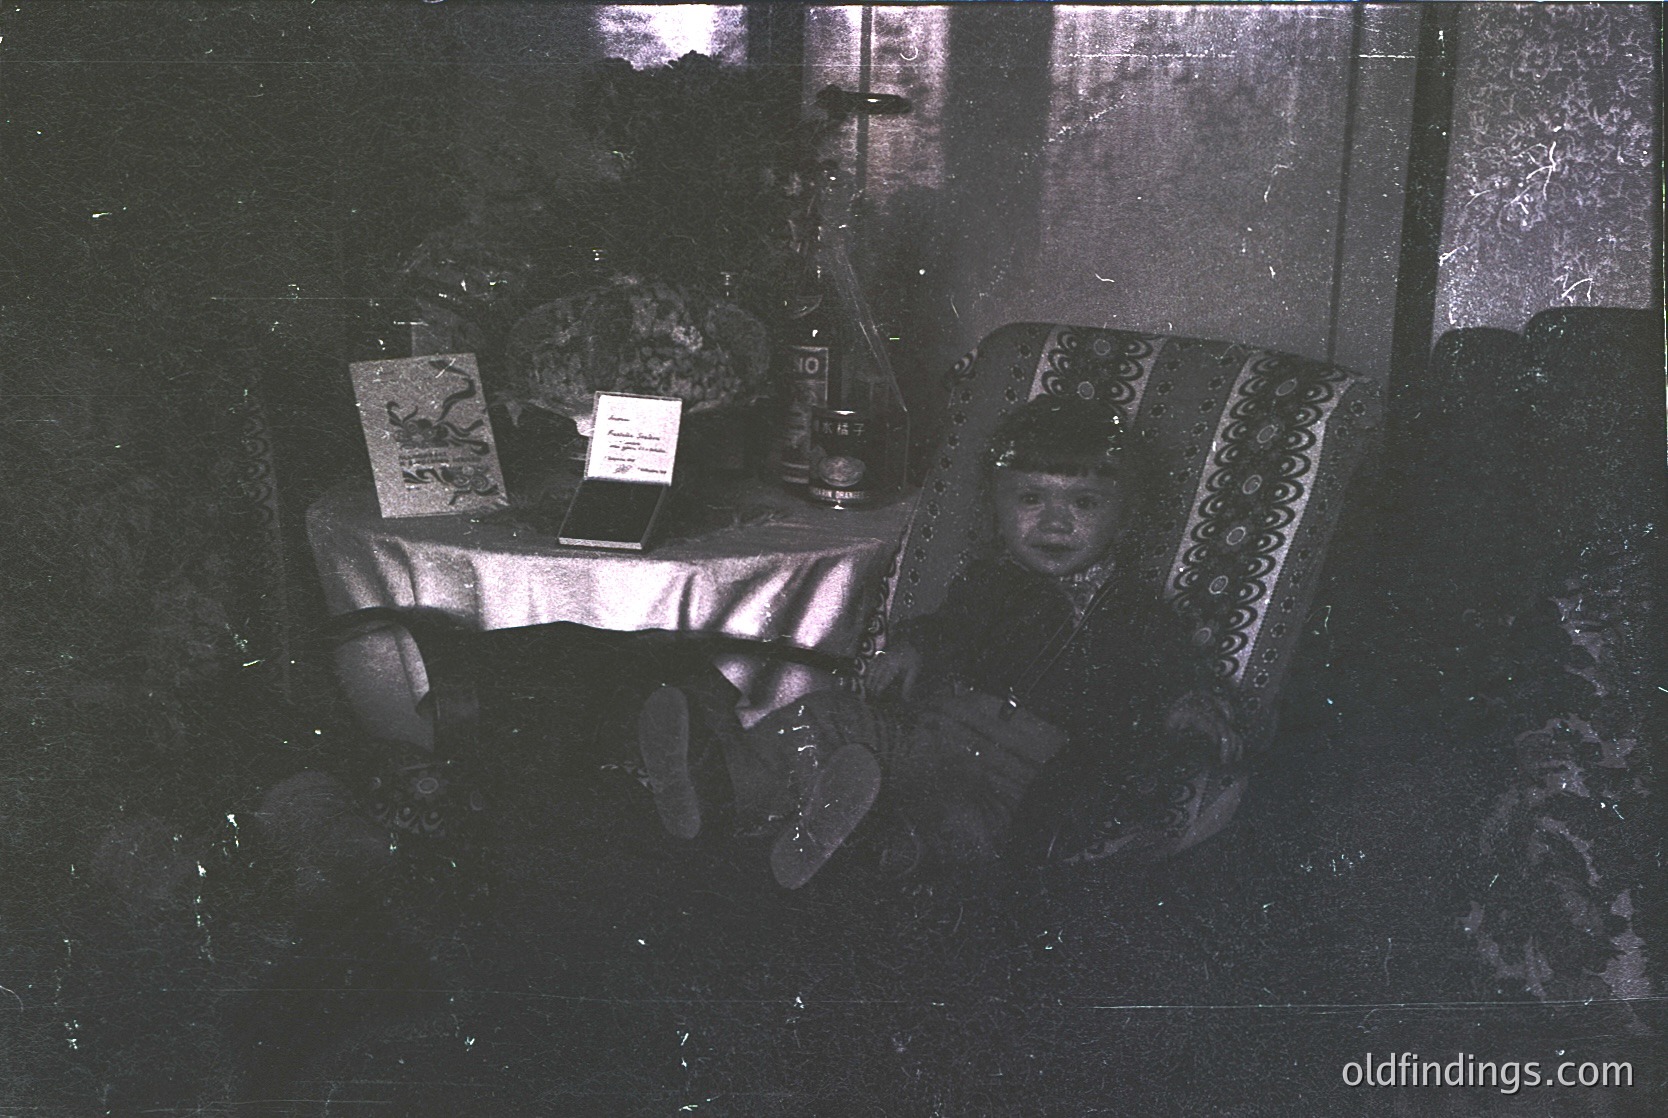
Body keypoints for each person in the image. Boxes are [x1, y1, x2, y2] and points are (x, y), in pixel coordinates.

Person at [635, 395, 1242, 888]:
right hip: (928, 734)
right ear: (996, 508)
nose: (1055, 523)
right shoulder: (988, 583)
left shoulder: (1139, 614)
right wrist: (913, 648)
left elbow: (1173, 681)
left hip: (1018, 781)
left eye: (1084, 503)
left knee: (946, 821)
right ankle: (725, 787)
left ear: (1127, 515)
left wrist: (1190, 706)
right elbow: (942, 630)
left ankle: (855, 839)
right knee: (824, 717)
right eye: (1030, 499)